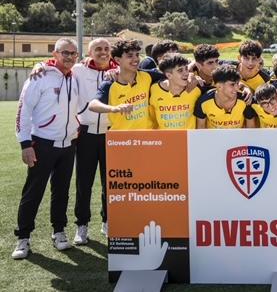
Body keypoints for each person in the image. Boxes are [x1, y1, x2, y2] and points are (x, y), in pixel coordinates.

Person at [12, 38, 80, 259]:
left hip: (68, 144)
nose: (69, 57)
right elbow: (23, 110)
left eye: (73, 53)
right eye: (65, 53)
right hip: (42, 143)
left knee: (61, 191)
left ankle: (59, 231)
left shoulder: (76, 75)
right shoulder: (40, 75)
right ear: (55, 53)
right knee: (33, 191)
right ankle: (23, 238)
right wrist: (25, 145)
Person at [72, 38, 117, 244]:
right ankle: (82, 225)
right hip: (86, 134)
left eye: (106, 49)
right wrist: (39, 65)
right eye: (98, 49)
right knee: (84, 182)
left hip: (112, 134)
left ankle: (108, 221)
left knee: (112, 183)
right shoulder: (79, 70)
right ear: (90, 52)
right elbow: (55, 64)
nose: (103, 52)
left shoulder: (119, 70)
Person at [89, 39, 165, 130]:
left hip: (146, 137)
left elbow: (171, 75)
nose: (136, 59)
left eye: (137, 55)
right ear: (117, 60)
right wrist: (114, 108)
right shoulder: (110, 83)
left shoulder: (147, 76)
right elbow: (93, 105)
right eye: (130, 56)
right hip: (122, 140)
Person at [149, 54, 203, 129]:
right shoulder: (154, 89)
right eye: (180, 70)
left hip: (188, 139)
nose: (186, 73)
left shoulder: (196, 88)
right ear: (169, 75)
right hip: (164, 139)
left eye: (186, 68)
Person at [194, 64, 257, 129]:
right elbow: (201, 129)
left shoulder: (245, 99)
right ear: (219, 86)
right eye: (232, 84)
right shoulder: (204, 102)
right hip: (213, 138)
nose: (237, 88)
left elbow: (251, 128)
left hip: (238, 138)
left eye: (237, 83)